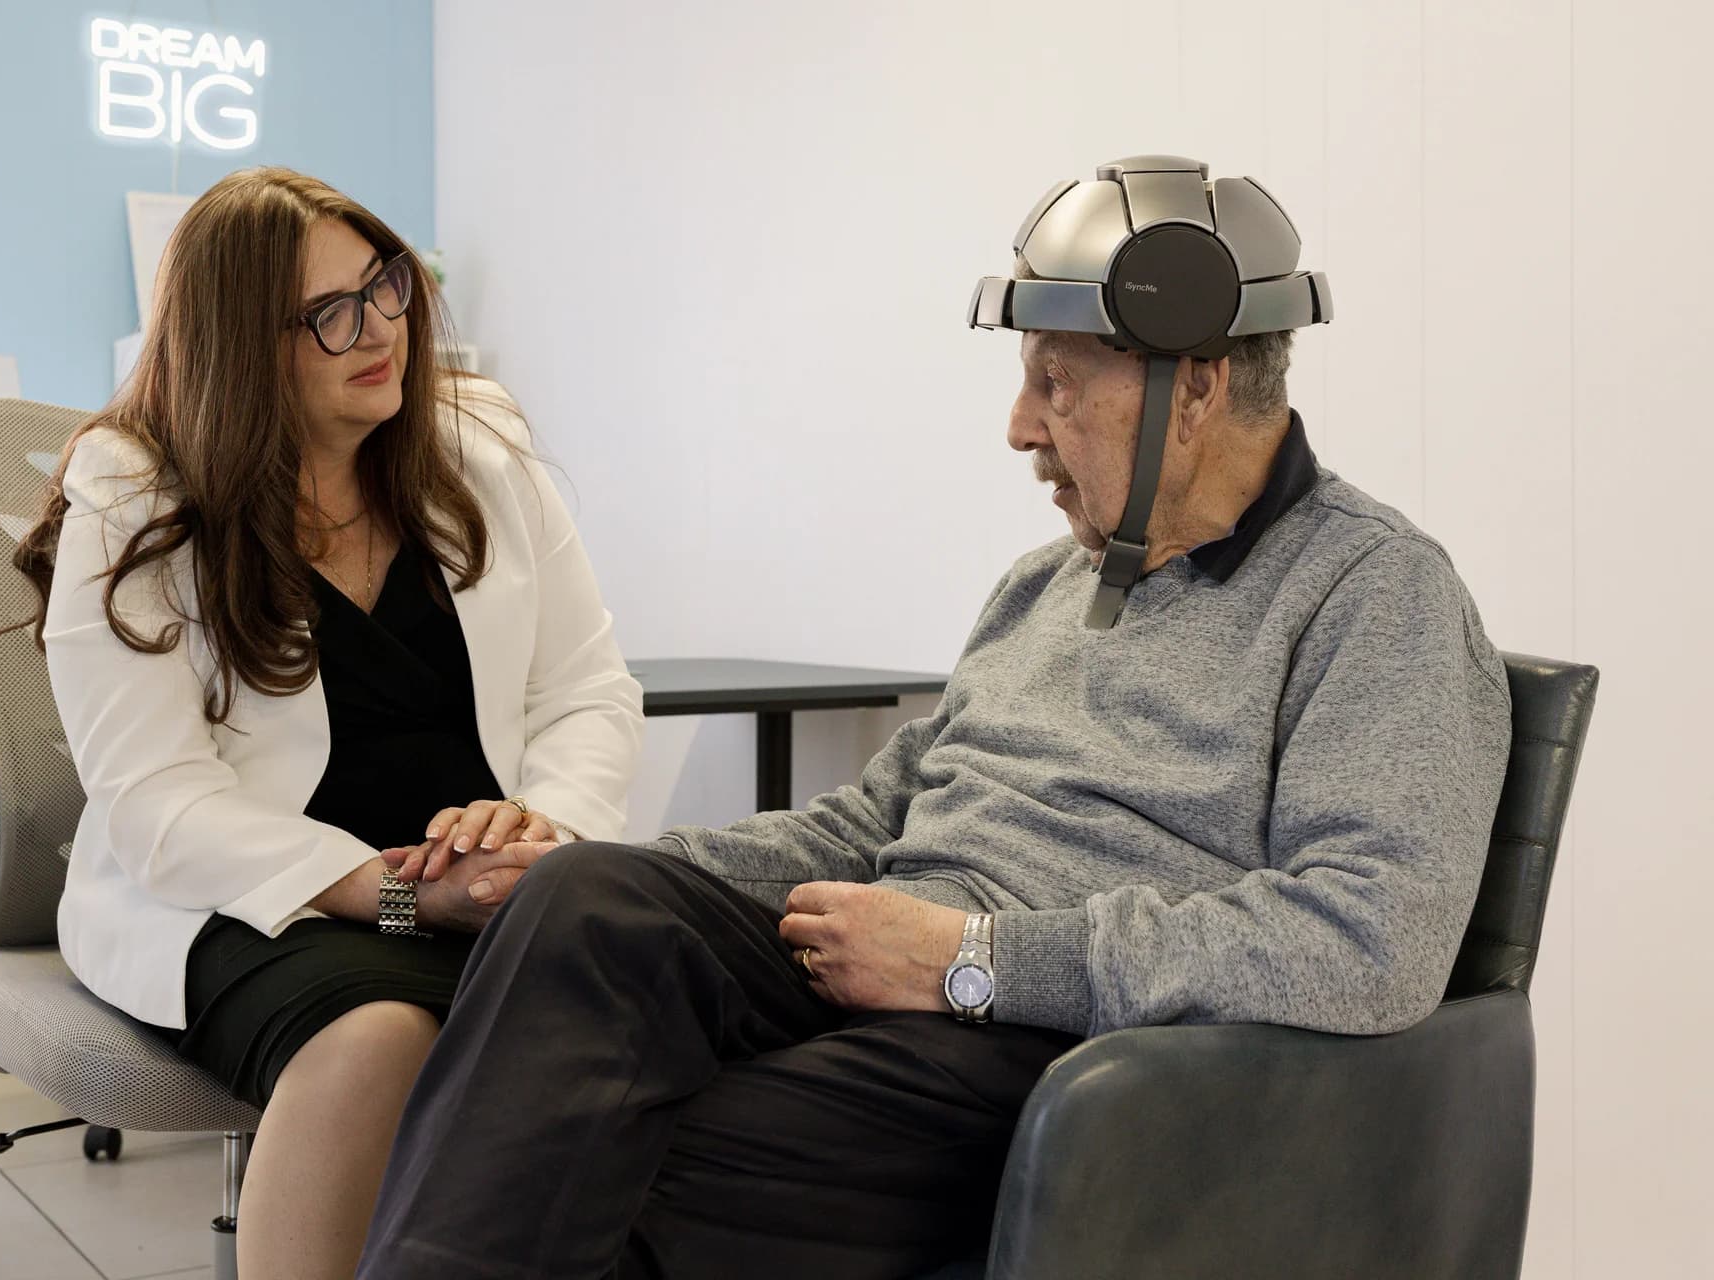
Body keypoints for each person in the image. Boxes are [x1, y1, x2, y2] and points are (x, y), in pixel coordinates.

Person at [357, 157, 1512, 1279]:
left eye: (1055, 382)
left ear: (1196, 381)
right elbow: (872, 821)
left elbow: (1369, 939)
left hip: (1052, 1044)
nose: (1020, 426)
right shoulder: (1042, 586)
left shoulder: (1376, 593)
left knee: (604, 1158)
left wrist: (973, 961)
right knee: (581, 904)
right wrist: (590, 860)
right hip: (884, 967)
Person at [14, 166, 643, 1280]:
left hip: (486, 888)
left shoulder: (475, 447)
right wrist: (398, 891)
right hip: (253, 901)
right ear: (236, 347)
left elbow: (587, 688)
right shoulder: (136, 488)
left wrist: (537, 829)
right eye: (329, 315)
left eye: (385, 285)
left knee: (650, 1008)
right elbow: (157, 801)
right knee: (378, 1038)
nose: (381, 329)